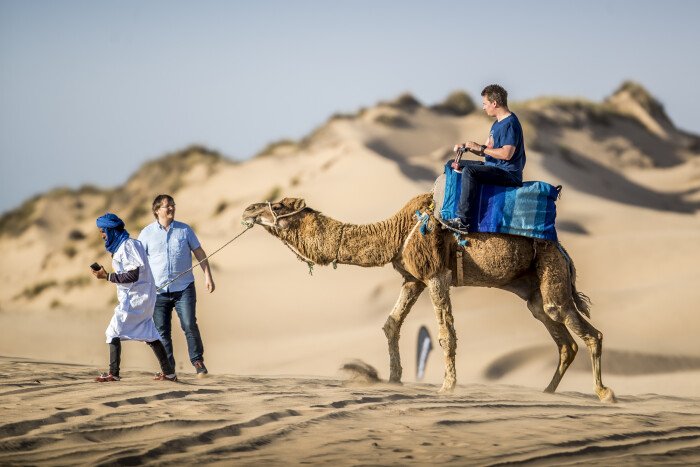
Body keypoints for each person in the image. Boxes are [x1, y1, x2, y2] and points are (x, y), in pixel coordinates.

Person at [91, 213, 177, 382]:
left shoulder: (127, 246)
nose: (102, 235)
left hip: (136, 298)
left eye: (103, 231)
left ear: (111, 230)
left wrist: (107, 276)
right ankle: (169, 373)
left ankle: (113, 374)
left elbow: (133, 275)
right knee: (150, 332)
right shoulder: (129, 244)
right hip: (142, 297)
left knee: (113, 331)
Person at [138, 194, 215, 378]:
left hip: (184, 288)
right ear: (157, 210)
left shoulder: (185, 230)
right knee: (162, 332)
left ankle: (198, 361)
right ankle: (168, 368)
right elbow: (138, 261)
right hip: (158, 291)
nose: (171, 208)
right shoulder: (146, 233)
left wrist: (208, 276)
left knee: (189, 324)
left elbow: (199, 252)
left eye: (173, 205)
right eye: (167, 206)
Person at [445, 84, 526, 231]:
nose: (483, 107)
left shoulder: (511, 124)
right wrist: (468, 146)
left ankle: (463, 221)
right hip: (494, 167)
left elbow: (507, 154)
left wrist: (481, 148)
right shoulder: (496, 124)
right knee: (452, 163)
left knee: (469, 171)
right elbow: (487, 151)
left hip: (508, 172)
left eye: (485, 104)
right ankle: (448, 208)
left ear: (494, 103)